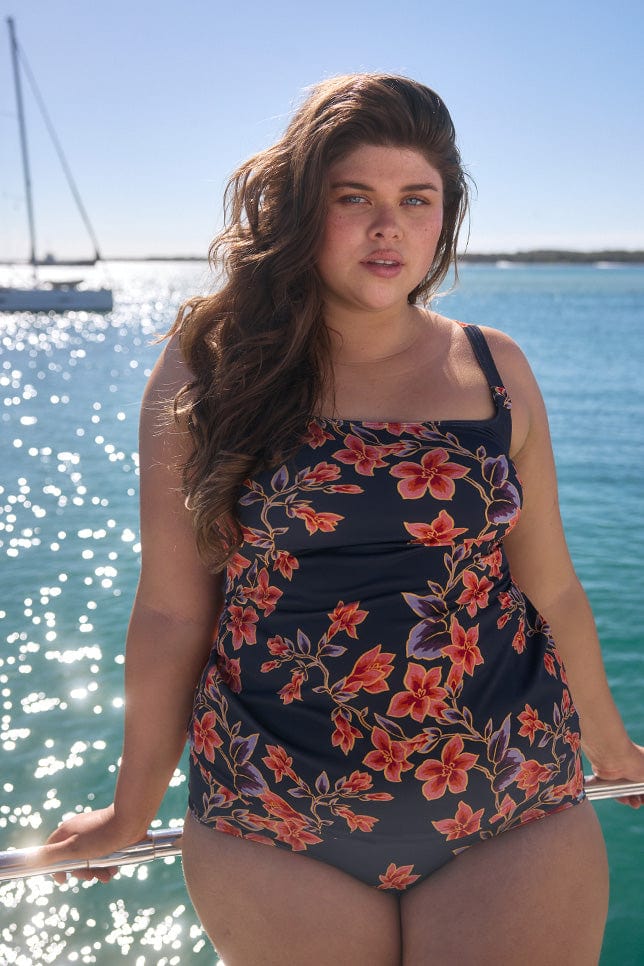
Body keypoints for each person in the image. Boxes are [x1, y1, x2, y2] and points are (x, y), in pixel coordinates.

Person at [41, 74, 643, 965]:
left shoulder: (496, 368)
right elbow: (171, 610)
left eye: (416, 200)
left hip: (509, 794)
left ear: (446, 217)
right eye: (353, 198)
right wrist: (131, 811)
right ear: (299, 211)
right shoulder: (209, 369)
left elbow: (549, 585)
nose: (387, 227)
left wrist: (613, 748)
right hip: (273, 811)